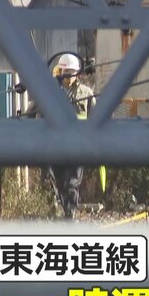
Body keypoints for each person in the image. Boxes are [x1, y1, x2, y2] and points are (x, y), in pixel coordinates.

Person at [27, 53, 96, 219]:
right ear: (60, 71)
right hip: (54, 146)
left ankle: (70, 215)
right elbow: (34, 117)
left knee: (72, 183)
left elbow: (95, 119)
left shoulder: (86, 93)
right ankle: (53, 213)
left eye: (72, 72)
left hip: (77, 147)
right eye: (66, 72)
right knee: (53, 182)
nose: (69, 76)